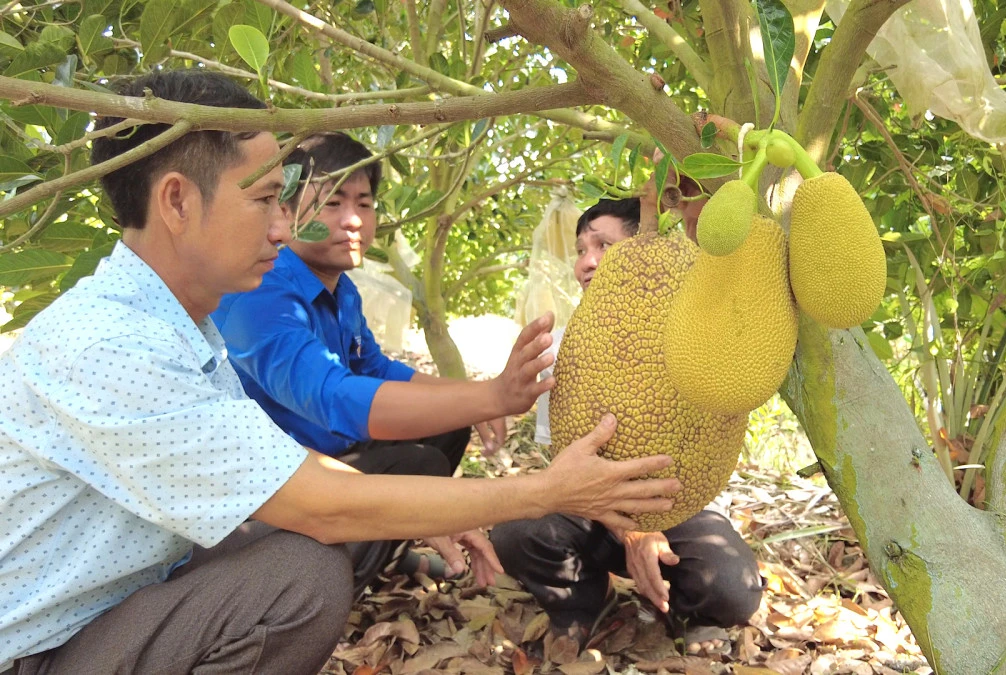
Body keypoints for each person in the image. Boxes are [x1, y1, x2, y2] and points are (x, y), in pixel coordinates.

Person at [0, 70, 680, 675]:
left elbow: (295, 447)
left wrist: (469, 451)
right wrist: (544, 489)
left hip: (125, 593)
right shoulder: (114, 342)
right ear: (177, 202)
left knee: (373, 499)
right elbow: (323, 455)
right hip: (40, 645)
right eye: (266, 200)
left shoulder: (184, 324)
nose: (281, 227)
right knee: (302, 581)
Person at [211, 131, 513, 593]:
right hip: (271, 490)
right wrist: (491, 398)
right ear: (285, 211)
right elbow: (332, 395)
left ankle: (380, 555)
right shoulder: (263, 291)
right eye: (332, 203)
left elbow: (375, 368)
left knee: (448, 426)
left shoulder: (341, 290)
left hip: (328, 454)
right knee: (420, 466)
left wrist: (476, 401)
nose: (352, 220)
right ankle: (322, 590)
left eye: (364, 203)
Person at [492, 198, 764, 659]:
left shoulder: (697, 337)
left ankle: (683, 610)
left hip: (679, 509)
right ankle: (583, 600)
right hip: (587, 506)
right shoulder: (563, 346)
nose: (587, 262)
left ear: (644, 248)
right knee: (516, 530)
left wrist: (653, 526)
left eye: (603, 245)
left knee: (733, 588)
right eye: (580, 249)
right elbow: (562, 467)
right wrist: (633, 532)